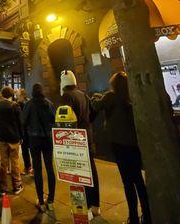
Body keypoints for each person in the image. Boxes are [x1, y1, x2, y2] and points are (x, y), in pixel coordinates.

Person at [91, 72, 151, 224]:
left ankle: (133, 217)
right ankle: (148, 215)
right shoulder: (130, 97)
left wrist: (93, 97)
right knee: (138, 180)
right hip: (134, 144)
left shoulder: (111, 96)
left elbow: (96, 106)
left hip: (119, 144)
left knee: (127, 182)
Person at [60, 70, 101, 219]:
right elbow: (92, 112)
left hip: (75, 141)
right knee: (92, 172)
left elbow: (66, 120)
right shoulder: (82, 94)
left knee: (79, 175)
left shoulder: (67, 96)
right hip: (87, 137)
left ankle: (84, 208)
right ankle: (95, 205)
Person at [22, 83, 56, 211]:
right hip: (47, 139)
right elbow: (54, 119)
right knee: (49, 168)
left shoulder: (29, 104)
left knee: (37, 169)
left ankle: (41, 202)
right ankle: (51, 200)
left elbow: (23, 121)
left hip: (34, 139)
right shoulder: (49, 103)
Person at [0, 86, 23, 195]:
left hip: (2, 137)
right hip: (13, 137)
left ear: (2, 94)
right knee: (15, 161)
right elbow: (20, 123)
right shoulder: (14, 106)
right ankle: (16, 186)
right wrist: (21, 136)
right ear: (11, 95)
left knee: (3, 163)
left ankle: (3, 188)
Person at [16, 88, 32, 175]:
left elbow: (19, 118)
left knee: (25, 149)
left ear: (21, 95)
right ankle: (32, 168)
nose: (16, 94)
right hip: (30, 129)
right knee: (31, 150)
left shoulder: (19, 104)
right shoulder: (29, 102)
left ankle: (28, 167)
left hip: (24, 130)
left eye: (18, 93)